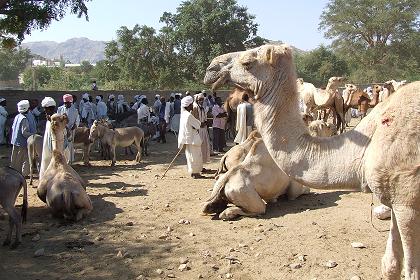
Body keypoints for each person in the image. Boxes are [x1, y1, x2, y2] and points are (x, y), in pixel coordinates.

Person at [178, 96, 203, 179]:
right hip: (192, 139)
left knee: (190, 156)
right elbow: (198, 125)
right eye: (191, 104)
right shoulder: (188, 115)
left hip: (188, 139)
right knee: (194, 157)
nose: (192, 106)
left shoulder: (184, 115)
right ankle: (195, 173)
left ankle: (193, 172)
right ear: (188, 105)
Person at [10, 100, 34, 176]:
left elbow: (13, 127)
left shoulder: (17, 116)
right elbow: (24, 132)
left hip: (15, 140)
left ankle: (13, 171)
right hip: (22, 142)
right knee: (24, 158)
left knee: (14, 158)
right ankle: (22, 174)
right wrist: (34, 135)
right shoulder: (24, 119)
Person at [57, 94, 80, 163]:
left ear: (71, 102)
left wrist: (75, 125)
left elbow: (77, 119)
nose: (67, 104)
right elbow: (58, 119)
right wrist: (64, 127)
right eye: (65, 103)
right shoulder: (60, 109)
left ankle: (70, 161)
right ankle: (62, 161)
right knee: (62, 145)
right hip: (62, 130)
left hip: (71, 130)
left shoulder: (75, 110)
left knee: (70, 145)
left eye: (68, 103)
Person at [39, 97, 58, 179]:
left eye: (45, 109)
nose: (45, 111)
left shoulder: (56, 119)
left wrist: (51, 121)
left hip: (53, 147)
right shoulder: (49, 118)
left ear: (50, 109)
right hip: (47, 146)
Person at [192, 93, 211, 167]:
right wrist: (200, 124)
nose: (201, 101)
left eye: (202, 100)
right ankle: (198, 166)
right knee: (198, 148)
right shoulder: (195, 107)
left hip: (203, 129)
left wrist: (205, 122)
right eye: (200, 100)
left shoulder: (202, 107)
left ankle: (201, 166)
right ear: (197, 100)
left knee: (203, 147)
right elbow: (194, 119)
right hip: (198, 130)